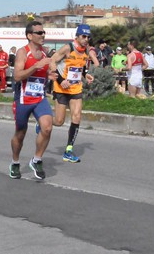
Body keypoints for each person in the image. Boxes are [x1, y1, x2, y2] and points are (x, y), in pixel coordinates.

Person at [10, 21, 55, 180]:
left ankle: (37, 160)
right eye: (39, 33)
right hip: (23, 99)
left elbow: (44, 73)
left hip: (39, 99)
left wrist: (52, 76)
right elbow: (17, 76)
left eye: (44, 33)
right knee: (20, 134)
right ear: (30, 36)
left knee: (47, 127)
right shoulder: (23, 53)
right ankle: (15, 162)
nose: (43, 35)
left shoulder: (45, 53)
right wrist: (36, 66)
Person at [49, 23, 94, 163]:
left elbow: (80, 66)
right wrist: (61, 79)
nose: (86, 39)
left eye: (88, 37)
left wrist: (85, 74)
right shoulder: (68, 47)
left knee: (77, 116)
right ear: (77, 36)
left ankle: (68, 150)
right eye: (83, 36)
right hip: (61, 88)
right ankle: (43, 121)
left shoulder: (85, 50)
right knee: (59, 121)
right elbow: (52, 61)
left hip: (75, 88)